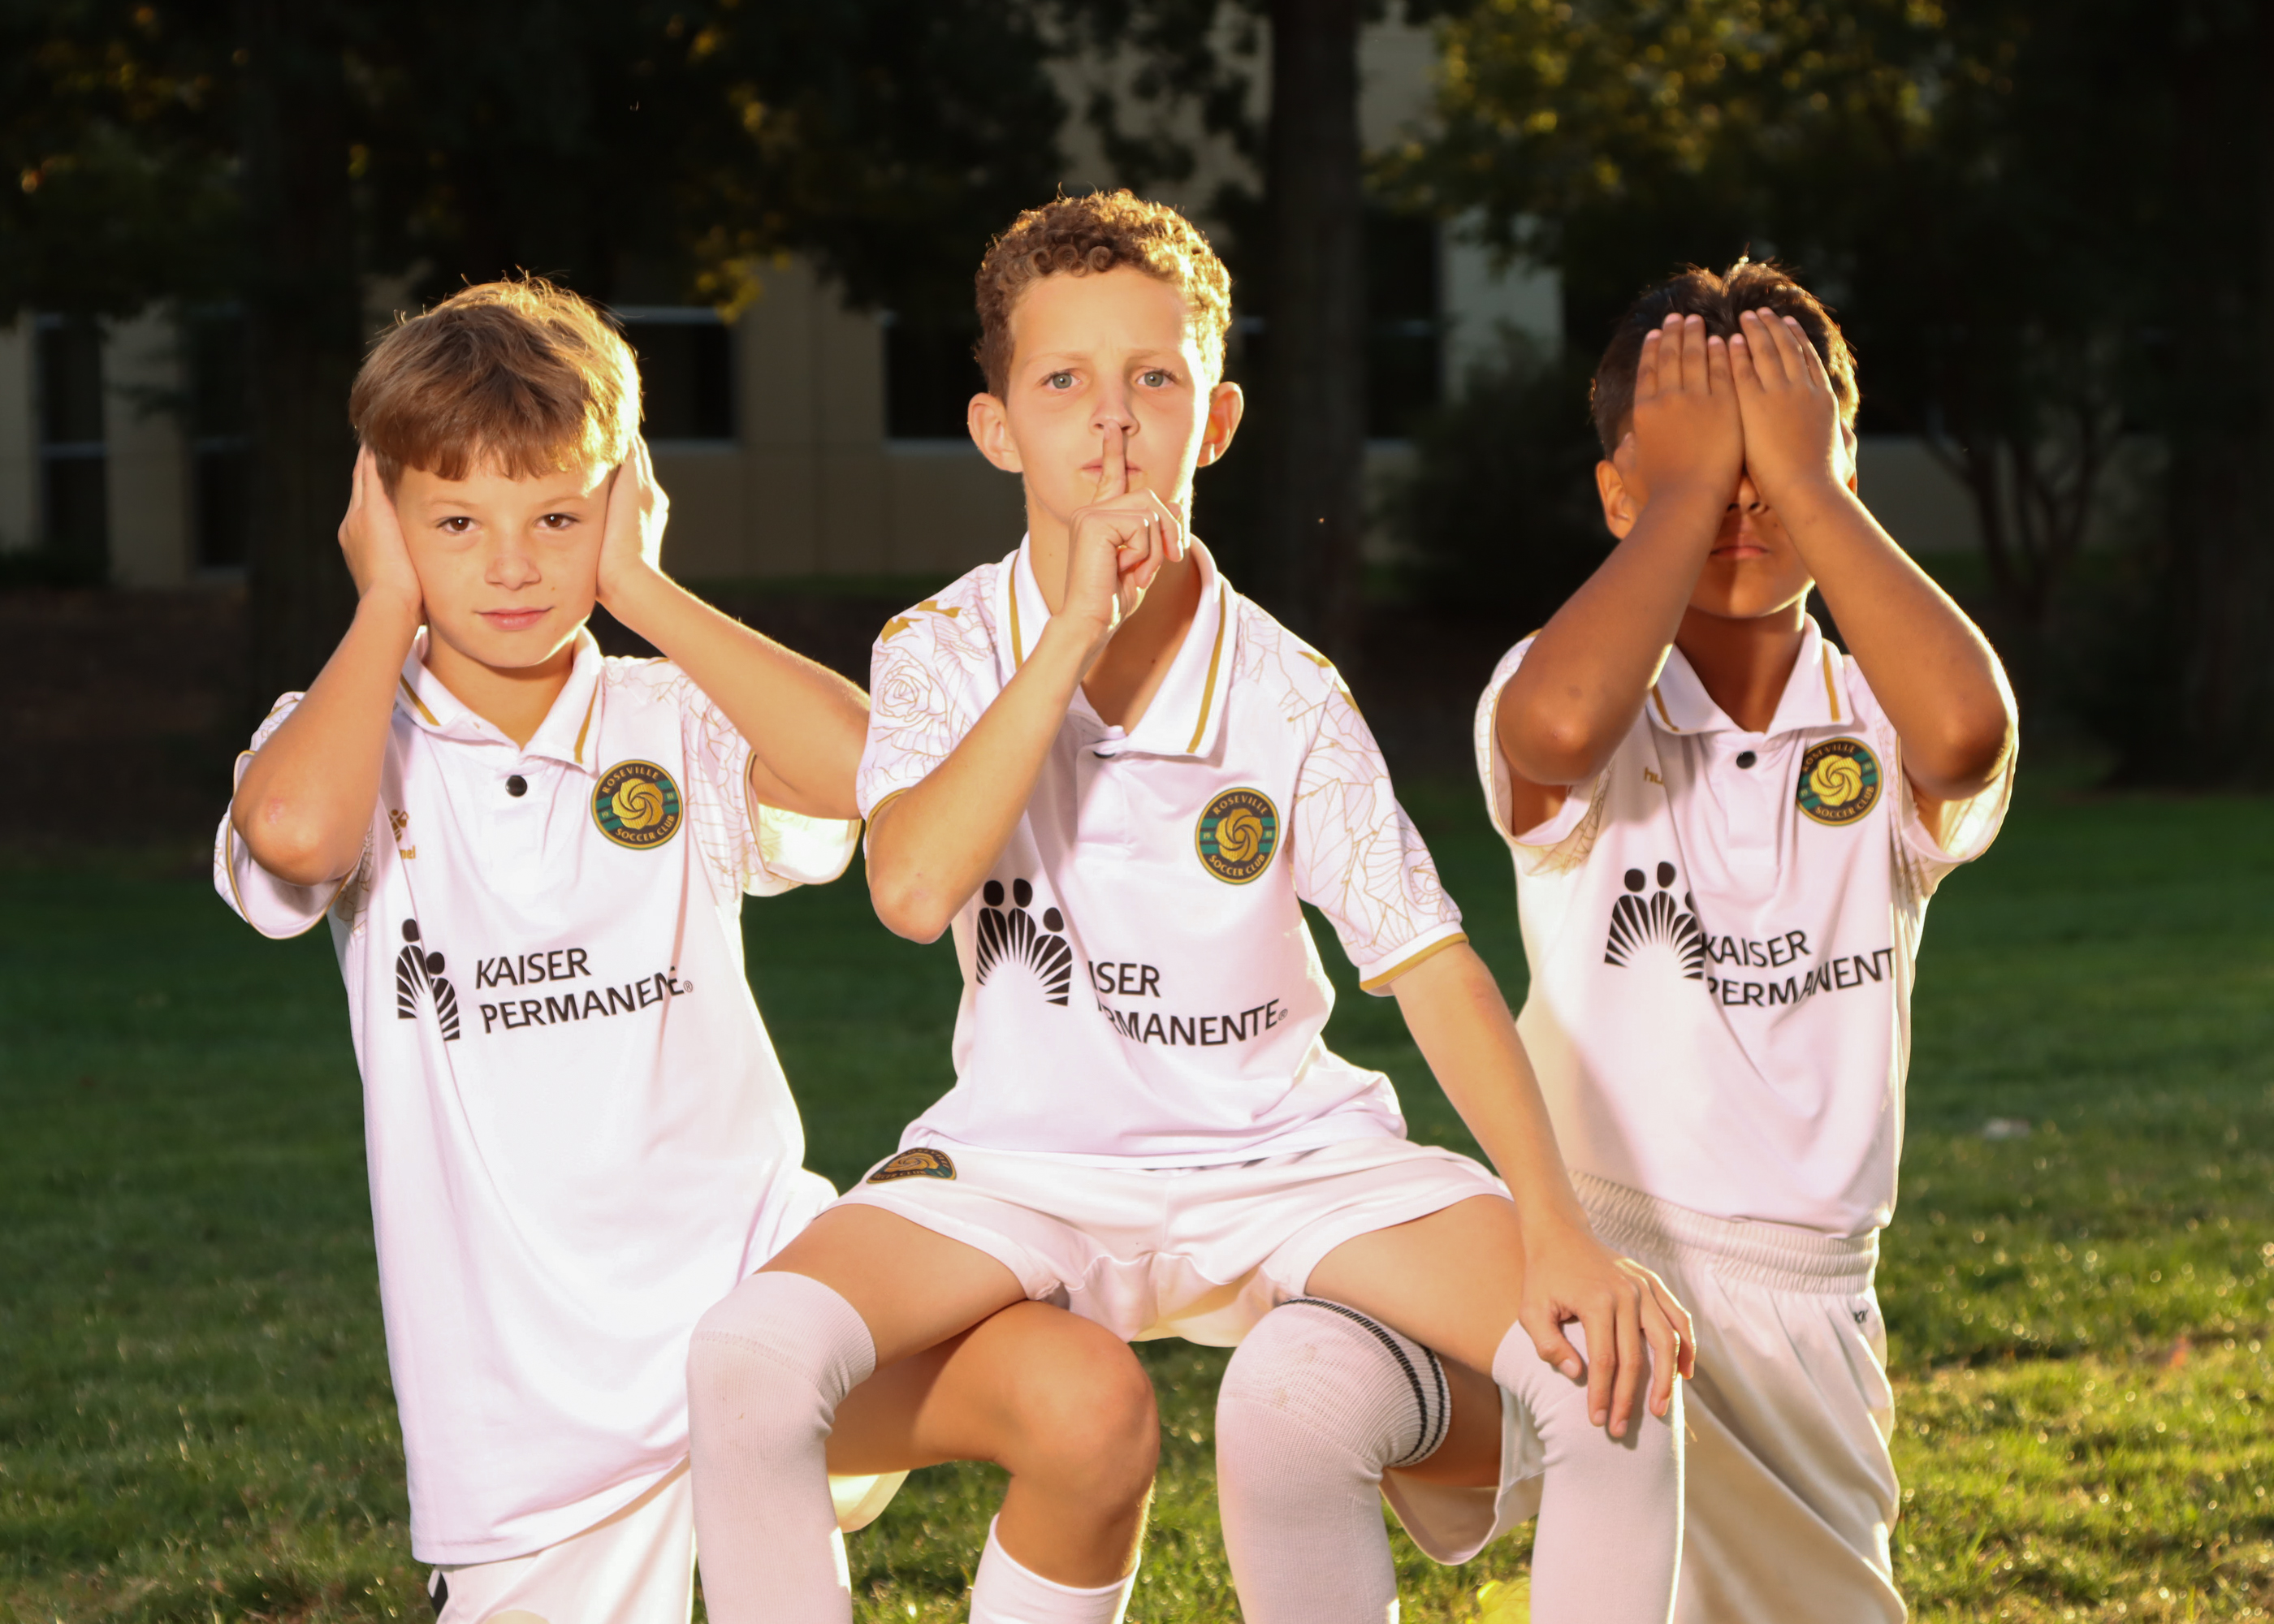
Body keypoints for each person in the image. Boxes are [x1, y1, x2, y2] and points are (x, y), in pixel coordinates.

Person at [685, 189, 1693, 1624]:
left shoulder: (1289, 691)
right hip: (1025, 1167)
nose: (1110, 423)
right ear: (996, 429)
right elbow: (909, 888)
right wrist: (1071, 632)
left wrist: (1558, 1229)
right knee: (748, 1361)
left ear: (1214, 421)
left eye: (1152, 380)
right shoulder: (939, 648)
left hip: (1287, 1159)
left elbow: (1432, 967)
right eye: (1063, 383)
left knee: (1613, 1373)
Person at [216, 278, 1157, 1624]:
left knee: (1086, 1401)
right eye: (456, 524)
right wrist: (380, 605)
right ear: (383, 517)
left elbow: (867, 770)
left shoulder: (676, 714)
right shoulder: (350, 736)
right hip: (535, 1423)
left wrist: (641, 589)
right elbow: (298, 835)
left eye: (557, 519)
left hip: (764, 1302)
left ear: (622, 500)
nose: (512, 565)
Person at [1228, 259, 2017, 1621]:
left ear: (1838, 469)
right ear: (1617, 498)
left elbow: (1967, 738)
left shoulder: (1880, 706)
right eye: (1697, 469)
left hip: (1792, 1305)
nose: (1740, 499)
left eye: (1772, 462)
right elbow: (1557, 731)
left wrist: (1803, 482)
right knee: (1294, 1396)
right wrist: (1694, 489)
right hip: (1569, 1257)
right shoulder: (1566, 684)